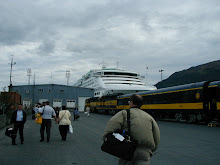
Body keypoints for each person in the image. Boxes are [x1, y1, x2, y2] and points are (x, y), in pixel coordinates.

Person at [102, 94, 160, 165]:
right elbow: (156, 136)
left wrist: (106, 139)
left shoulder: (124, 113)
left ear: (131, 103)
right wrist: (151, 151)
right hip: (145, 152)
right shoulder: (149, 117)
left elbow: (111, 127)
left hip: (128, 150)